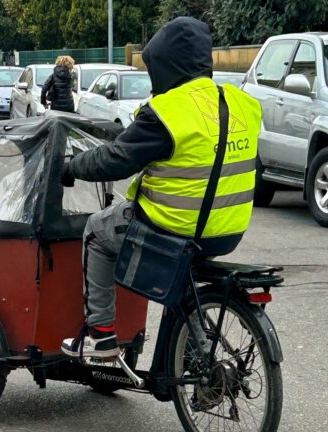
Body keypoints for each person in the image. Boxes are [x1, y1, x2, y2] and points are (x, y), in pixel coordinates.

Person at [60, 17, 262, 358]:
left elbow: (114, 160)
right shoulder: (243, 103)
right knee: (180, 279)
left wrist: (71, 167)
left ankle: (102, 336)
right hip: (227, 230)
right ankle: (192, 356)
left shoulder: (167, 112)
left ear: (165, 64)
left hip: (173, 227)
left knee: (97, 231)